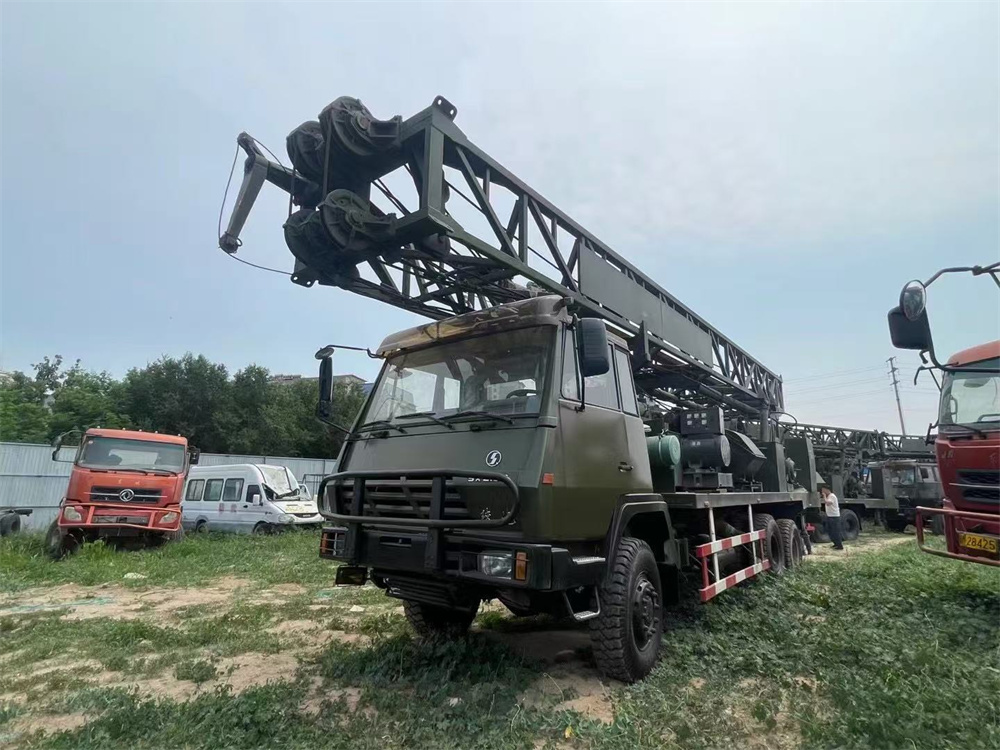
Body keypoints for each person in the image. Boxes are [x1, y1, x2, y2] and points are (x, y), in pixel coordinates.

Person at [820, 484, 844, 550]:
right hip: (830, 516)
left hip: (834, 517)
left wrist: (824, 496)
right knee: (830, 531)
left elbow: (828, 503)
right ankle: (835, 543)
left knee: (835, 531)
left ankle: (839, 545)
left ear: (827, 490)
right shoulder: (829, 496)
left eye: (823, 490)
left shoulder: (832, 496)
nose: (822, 492)